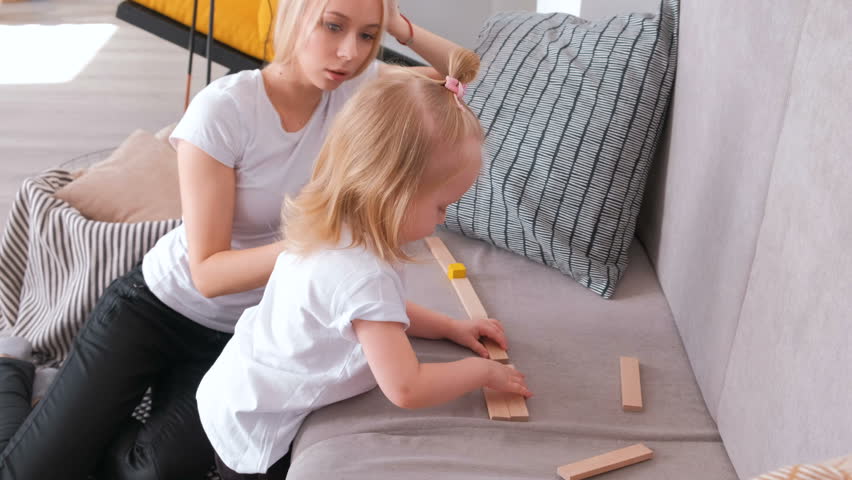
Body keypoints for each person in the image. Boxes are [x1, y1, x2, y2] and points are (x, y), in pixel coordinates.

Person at [0, 0, 465, 478]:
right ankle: (11, 368)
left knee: (154, 472)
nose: (348, 52)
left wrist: (395, 25)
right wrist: (320, 241)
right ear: (293, 15)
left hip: (243, 335)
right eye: (332, 26)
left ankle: (78, 425)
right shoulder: (224, 109)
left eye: (366, 37)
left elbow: (465, 76)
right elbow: (207, 273)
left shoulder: (358, 91)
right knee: (27, 472)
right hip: (156, 309)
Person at [197, 48, 534, 479]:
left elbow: (376, 314)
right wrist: (480, 372)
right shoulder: (362, 274)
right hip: (257, 422)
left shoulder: (333, 229)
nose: (445, 218)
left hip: (237, 384)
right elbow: (407, 388)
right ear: (393, 195)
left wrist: (449, 327)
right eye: (442, 205)